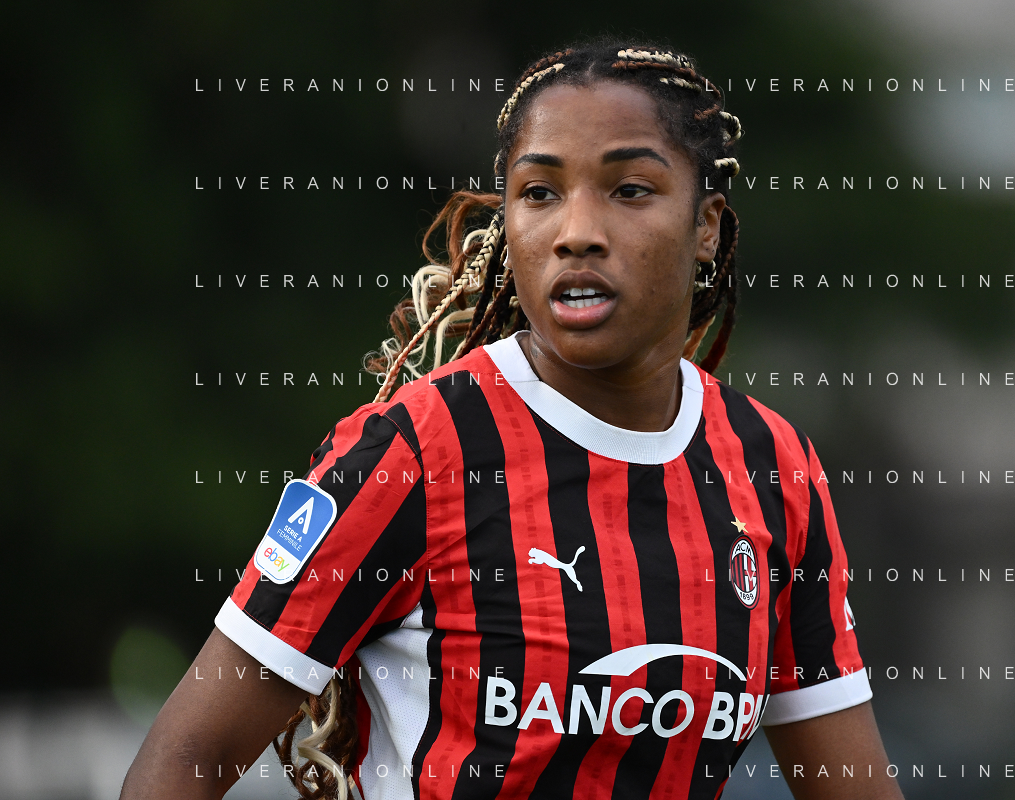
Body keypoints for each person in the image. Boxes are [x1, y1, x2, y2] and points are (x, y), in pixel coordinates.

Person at [121, 39, 904, 800]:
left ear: (706, 226)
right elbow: (188, 757)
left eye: (630, 189)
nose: (577, 232)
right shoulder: (413, 452)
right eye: (539, 193)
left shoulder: (773, 467)